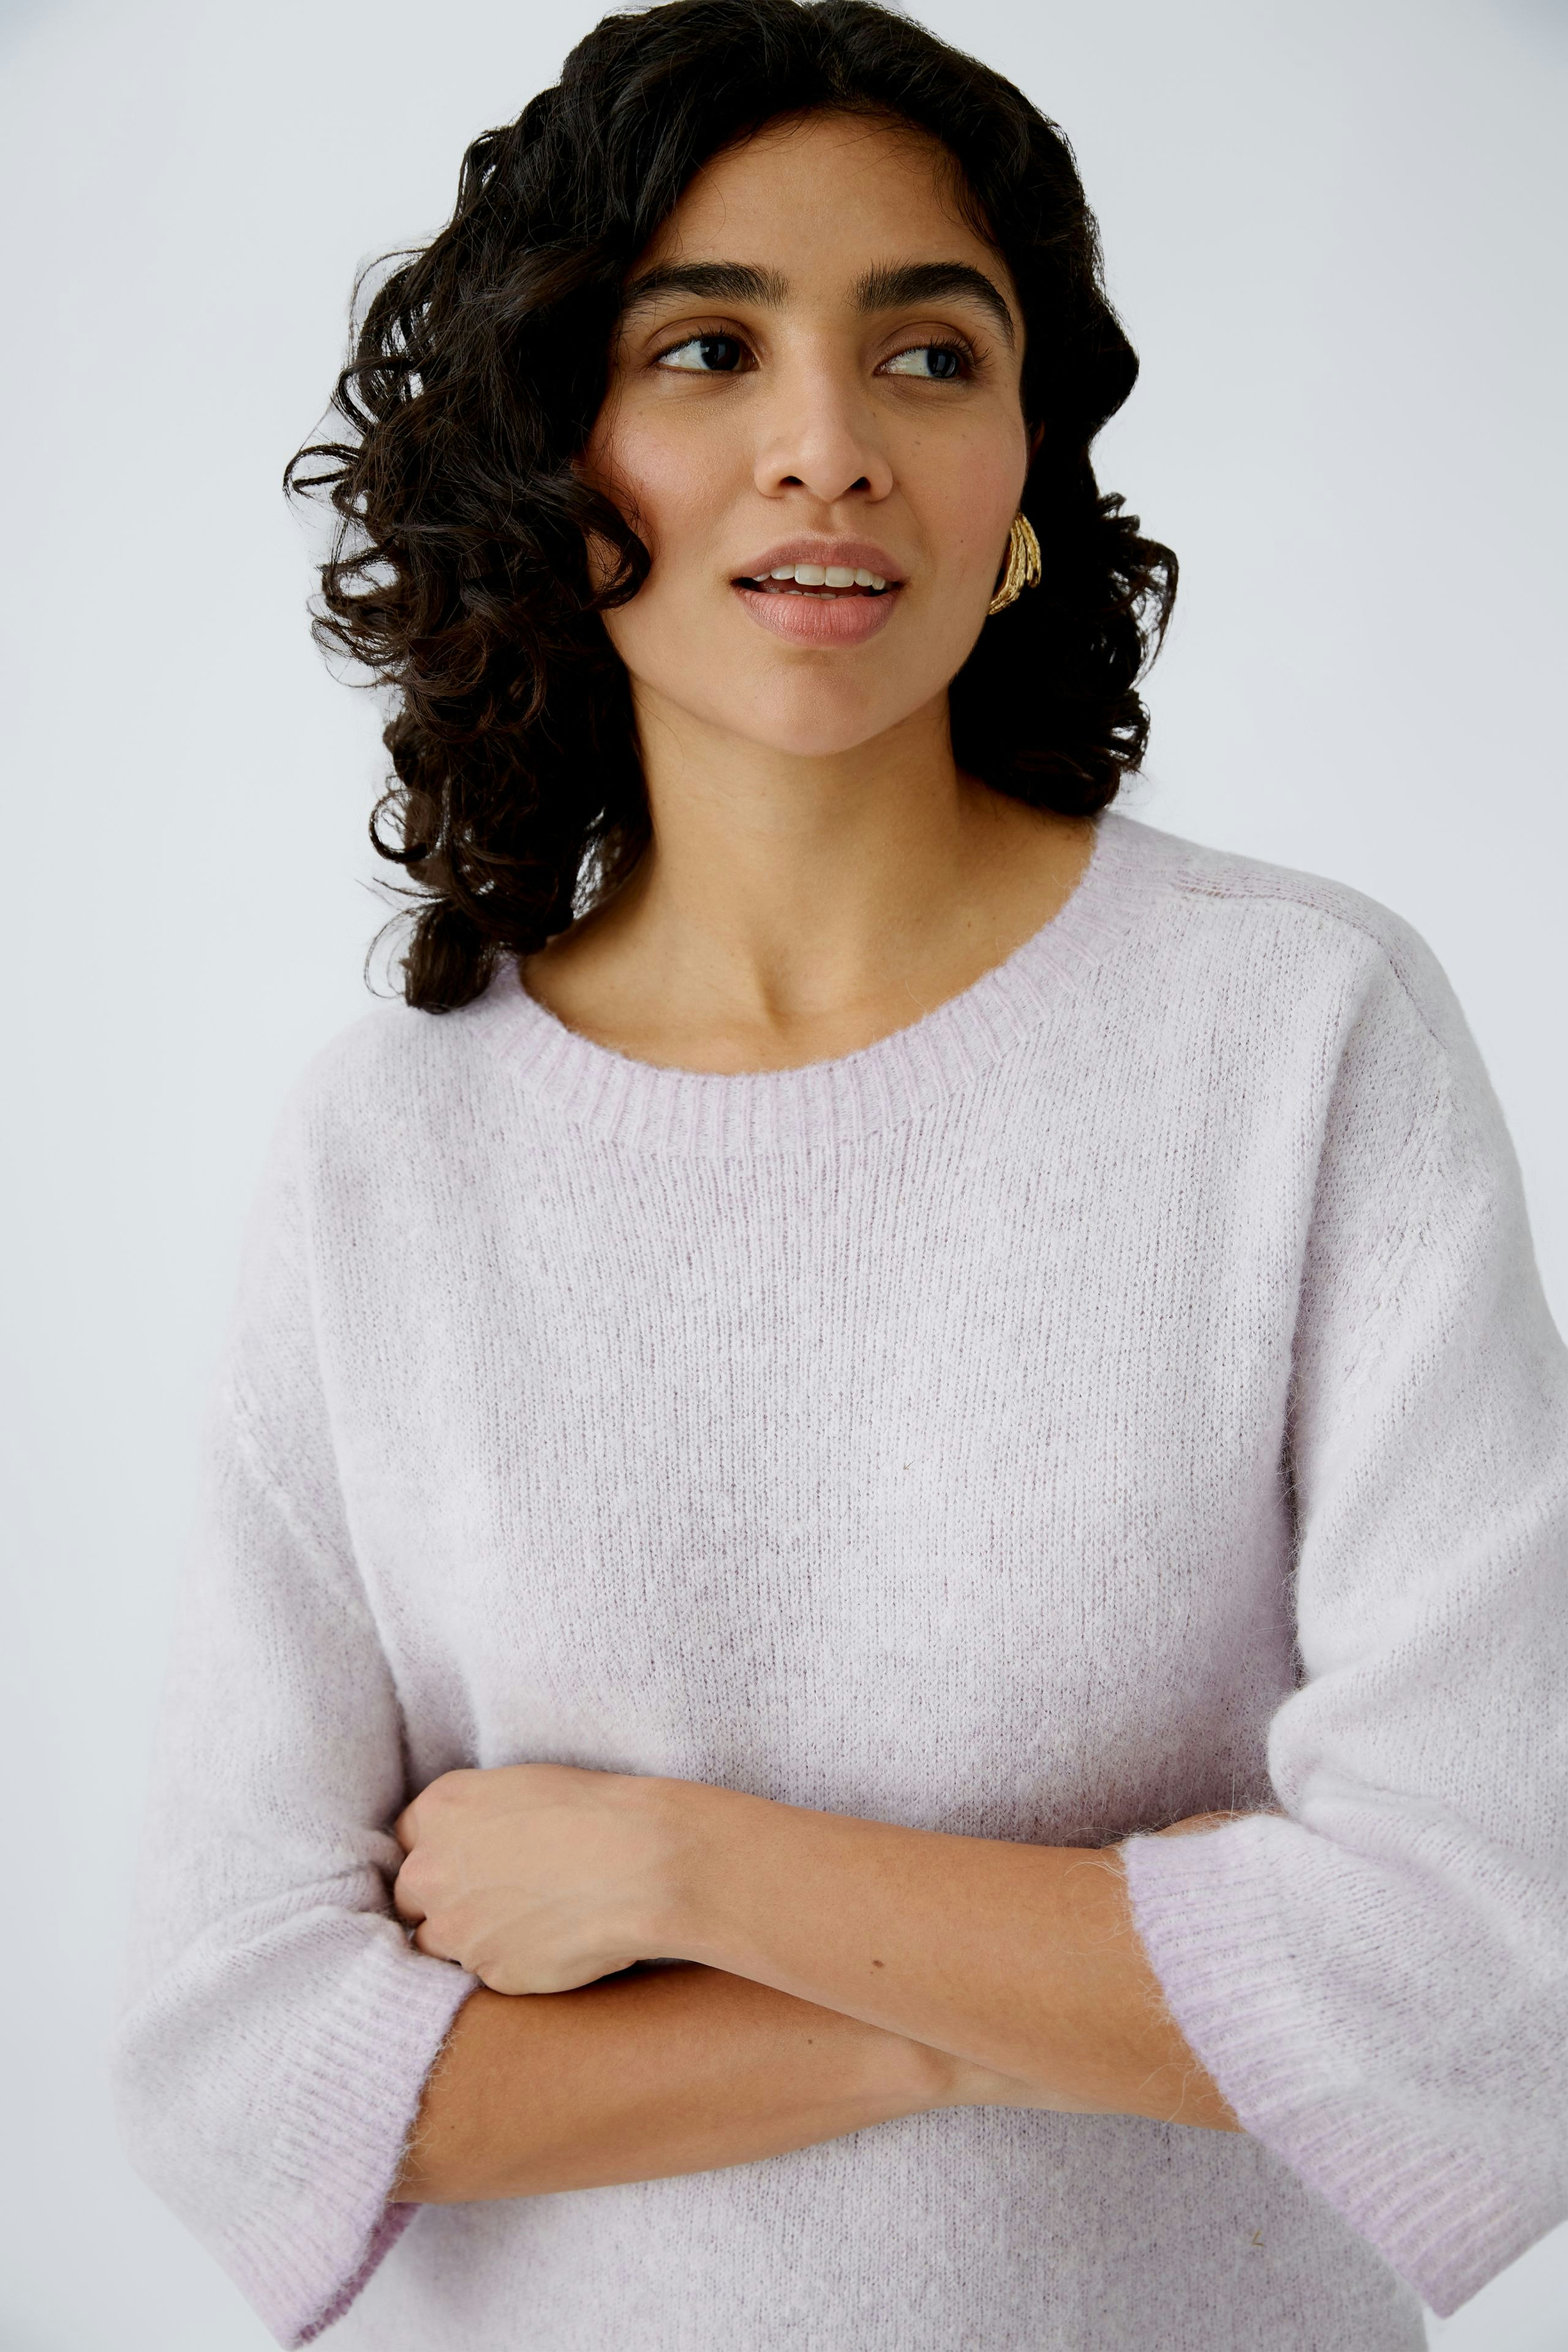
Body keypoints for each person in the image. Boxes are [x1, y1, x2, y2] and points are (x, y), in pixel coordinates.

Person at [111, 2, 1568, 2346]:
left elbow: (1493, 1966)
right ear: (553, 454)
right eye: (705, 349)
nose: (826, 450)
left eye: (927, 355)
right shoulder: (393, 1154)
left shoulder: (1300, 1037)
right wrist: (1020, 1992)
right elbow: (243, 2063)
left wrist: (681, 1873)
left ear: (1023, 462)